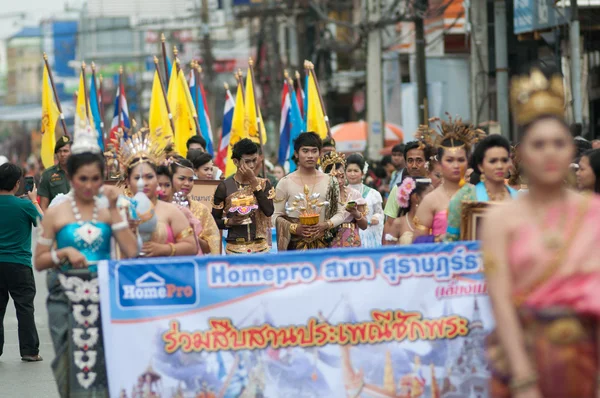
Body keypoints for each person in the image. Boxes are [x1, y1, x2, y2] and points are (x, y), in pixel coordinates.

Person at [483, 67, 600, 397]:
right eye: (538, 144)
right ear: (520, 154)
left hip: (586, 356)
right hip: (522, 355)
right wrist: (523, 378)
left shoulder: (593, 212)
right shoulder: (500, 220)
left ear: (571, 152)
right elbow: (500, 300)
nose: (549, 152)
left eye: (558, 143)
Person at [34, 124, 138, 397]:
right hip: (65, 299)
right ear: (69, 176)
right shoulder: (56, 213)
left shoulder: (109, 210)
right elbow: (40, 261)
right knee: (69, 362)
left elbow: (131, 251)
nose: (90, 186)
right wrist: (63, 254)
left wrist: (115, 212)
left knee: (105, 362)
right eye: (83, 179)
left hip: (104, 296)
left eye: (95, 179)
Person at [114, 129, 198, 258]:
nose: (144, 183)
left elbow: (192, 246)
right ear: (128, 181)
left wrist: (165, 249)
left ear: (157, 179)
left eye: (149, 177)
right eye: (137, 178)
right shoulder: (118, 210)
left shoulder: (171, 211)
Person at [412, 118, 484, 242]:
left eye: (461, 160)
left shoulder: (480, 193)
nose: (456, 165)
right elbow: (417, 242)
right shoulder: (430, 200)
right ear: (439, 163)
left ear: (468, 162)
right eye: (450, 160)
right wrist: (439, 239)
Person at [272, 132, 345, 251]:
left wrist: (325, 225)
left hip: (325, 246)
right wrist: (294, 228)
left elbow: (341, 213)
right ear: (296, 154)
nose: (310, 155)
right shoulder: (285, 182)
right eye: (305, 151)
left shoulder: (331, 181)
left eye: (314, 151)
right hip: (295, 248)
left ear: (320, 153)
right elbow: (275, 216)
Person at [0, 163, 43, 362]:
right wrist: (34, 201)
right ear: (18, 183)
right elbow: (46, 223)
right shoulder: (24, 205)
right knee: (24, 308)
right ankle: (29, 351)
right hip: (19, 264)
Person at [446, 134, 518, 242]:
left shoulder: (519, 198)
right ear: (480, 166)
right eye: (493, 161)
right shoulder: (465, 198)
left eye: (504, 160)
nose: (499, 166)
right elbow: (450, 243)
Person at [212, 139, 275, 254]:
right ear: (236, 162)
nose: (251, 165)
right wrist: (229, 222)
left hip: (261, 248)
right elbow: (213, 221)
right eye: (247, 162)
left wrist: (253, 182)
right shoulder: (225, 187)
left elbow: (269, 211)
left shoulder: (264, 184)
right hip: (235, 249)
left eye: (254, 160)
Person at [168, 156, 220, 255]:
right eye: (182, 178)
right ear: (170, 178)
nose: (187, 183)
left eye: (191, 179)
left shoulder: (201, 209)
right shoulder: (160, 207)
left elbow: (210, 246)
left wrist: (192, 237)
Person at [383, 140, 430, 236]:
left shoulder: (435, 187)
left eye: (419, 161)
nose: (414, 166)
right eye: (410, 161)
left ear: (427, 162)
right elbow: (389, 224)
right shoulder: (398, 189)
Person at [323, 152, 368, 248]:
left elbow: (364, 226)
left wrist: (355, 213)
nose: (339, 181)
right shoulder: (322, 195)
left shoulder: (355, 194)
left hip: (351, 241)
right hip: (329, 240)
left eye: (342, 176)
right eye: (334, 177)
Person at [345, 153, 384, 248]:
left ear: (362, 173)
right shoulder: (341, 193)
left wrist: (376, 217)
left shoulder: (373, 194)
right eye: (349, 171)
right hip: (347, 238)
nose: (352, 174)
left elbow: (380, 213)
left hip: (369, 237)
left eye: (356, 171)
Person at [383, 177, 432, 245]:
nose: (433, 198)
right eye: (430, 195)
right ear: (416, 197)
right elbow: (389, 252)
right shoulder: (399, 223)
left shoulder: (434, 221)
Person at [38, 135, 72, 211]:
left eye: (65, 151)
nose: (62, 154)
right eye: (59, 151)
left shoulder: (79, 172)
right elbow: (43, 207)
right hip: (57, 220)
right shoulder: (48, 174)